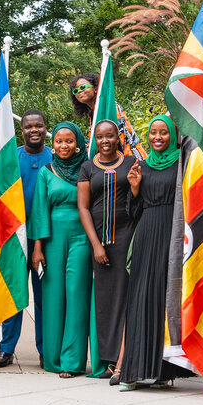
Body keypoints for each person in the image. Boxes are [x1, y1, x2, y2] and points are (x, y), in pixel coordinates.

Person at [117, 115, 188, 389]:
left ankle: (162, 371)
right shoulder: (142, 166)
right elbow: (132, 212)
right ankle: (133, 372)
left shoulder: (182, 164)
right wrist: (134, 189)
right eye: (154, 133)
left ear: (173, 135)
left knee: (165, 300)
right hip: (146, 235)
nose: (158, 137)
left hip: (172, 236)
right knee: (140, 299)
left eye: (164, 133)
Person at [29, 122, 91, 377]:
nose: (63, 145)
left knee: (77, 295)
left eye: (69, 141)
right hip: (52, 238)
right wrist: (37, 248)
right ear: (52, 145)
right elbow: (39, 209)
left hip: (83, 237)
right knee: (52, 298)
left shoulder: (88, 168)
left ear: (78, 145)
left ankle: (72, 362)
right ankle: (53, 359)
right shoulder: (46, 171)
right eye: (59, 141)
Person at [77, 119, 134, 379]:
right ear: (94, 139)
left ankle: (126, 358)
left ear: (118, 136)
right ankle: (109, 360)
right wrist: (96, 244)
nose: (105, 141)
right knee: (105, 301)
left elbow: (139, 196)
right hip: (100, 242)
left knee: (126, 299)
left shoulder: (132, 163)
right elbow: (84, 207)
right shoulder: (88, 167)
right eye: (100, 137)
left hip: (127, 239)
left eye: (110, 136)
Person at [0, 110, 51, 366]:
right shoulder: (12, 157)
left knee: (44, 297)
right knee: (14, 292)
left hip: (47, 238)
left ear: (45, 128)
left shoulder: (55, 157)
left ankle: (45, 349)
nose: (34, 130)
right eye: (29, 126)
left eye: (38, 126)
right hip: (15, 237)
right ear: (22, 130)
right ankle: (6, 349)